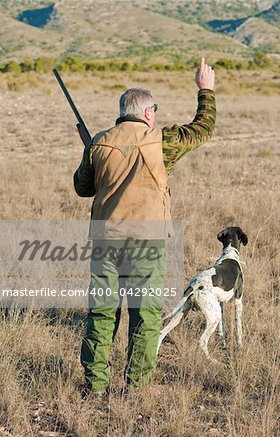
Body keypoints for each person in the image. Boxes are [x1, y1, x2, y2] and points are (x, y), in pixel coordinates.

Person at [73, 57, 216, 394]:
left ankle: (95, 386)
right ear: (148, 113)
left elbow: (83, 187)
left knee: (102, 315)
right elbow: (203, 129)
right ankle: (136, 388)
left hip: (107, 244)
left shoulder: (100, 142)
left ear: (124, 111)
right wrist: (205, 90)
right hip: (148, 244)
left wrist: (98, 156)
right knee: (146, 315)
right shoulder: (162, 141)